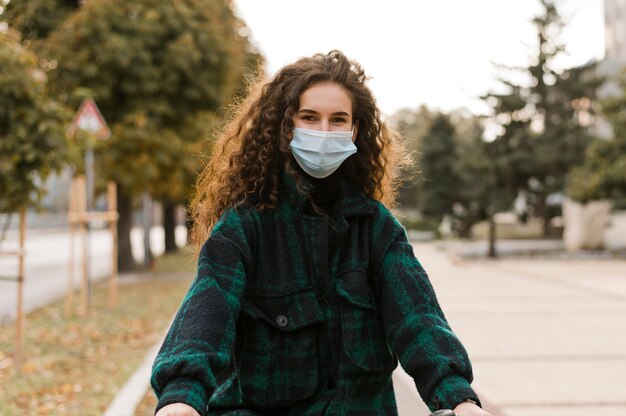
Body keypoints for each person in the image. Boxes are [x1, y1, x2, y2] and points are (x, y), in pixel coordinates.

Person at [151, 50, 491, 416]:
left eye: (338, 119)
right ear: (287, 125)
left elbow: (418, 319)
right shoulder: (245, 226)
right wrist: (181, 397)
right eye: (310, 118)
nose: (324, 132)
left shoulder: (377, 229)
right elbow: (206, 313)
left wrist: (459, 397)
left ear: (355, 130)